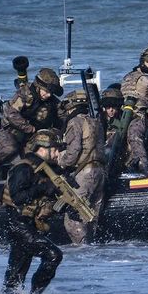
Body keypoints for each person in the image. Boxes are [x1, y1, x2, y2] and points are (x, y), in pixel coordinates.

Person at [1, 129, 65, 294]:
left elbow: (46, 201)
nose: (58, 153)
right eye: (56, 149)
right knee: (53, 255)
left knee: (15, 277)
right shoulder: (24, 167)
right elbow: (18, 197)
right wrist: (44, 188)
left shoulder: (47, 170)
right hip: (19, 225)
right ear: (44, 148)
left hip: (29, 225)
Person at [0, 67, 63, 179]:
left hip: (34, 134)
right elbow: (11, 114)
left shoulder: (52, 102)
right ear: (39, 87)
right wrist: (30, 128)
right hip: (12, 131)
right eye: (46, 91)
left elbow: (61, 116)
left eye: (51, 92)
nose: (49, 95)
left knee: (42, 153)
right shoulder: (25, 94)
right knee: (9, 148)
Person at [55, 89, 106, 245]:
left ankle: (82, 251)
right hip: (100, 172)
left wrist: (60, 160)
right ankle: (92, 250)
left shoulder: (75, 122)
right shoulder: (96, 121)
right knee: (92, 218)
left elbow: (74, 151)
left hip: (84, 173)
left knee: (73, 219)